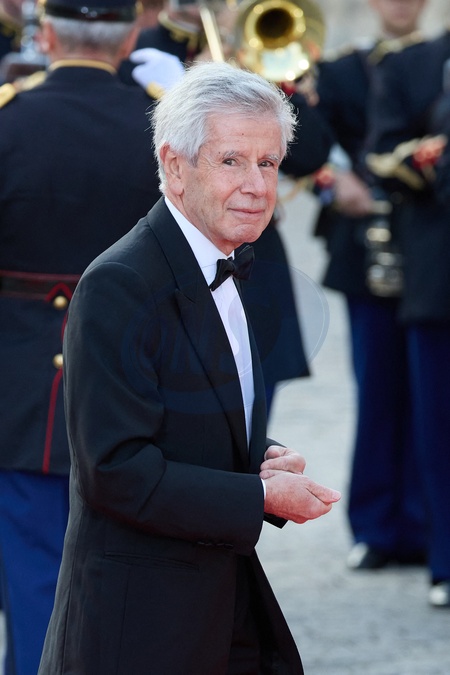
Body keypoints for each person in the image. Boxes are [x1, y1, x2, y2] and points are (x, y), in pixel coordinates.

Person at [38, 60, 341, 675]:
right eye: (231, 161)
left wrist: (260, 453)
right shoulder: (120, 284)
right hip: (141, 626)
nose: (256, 185)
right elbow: (115, 471)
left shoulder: (227, 258)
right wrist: (260, 494)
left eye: (268, 163)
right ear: (174, 167)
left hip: (220, 603)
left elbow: (189, 414)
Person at [0, 0, 172, 671]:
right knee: (140, 584)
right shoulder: (163, 126)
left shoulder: (8, 119)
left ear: (45, 34)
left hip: (22, 386)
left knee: (37, 582)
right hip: (143, 376)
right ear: (129, 38)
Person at [119, 0, 335, 416]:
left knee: (254, 420)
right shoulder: (139, 47)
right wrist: (179, 99)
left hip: (250, 264)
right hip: (166, 263)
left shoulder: (252, 51)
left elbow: (311, 153)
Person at [310, 0, 428, 570]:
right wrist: (333, 183)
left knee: (433, 396)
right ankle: (377, 525)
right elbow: (305, 143)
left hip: (430, 251)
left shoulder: (436, 63)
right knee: (377, 389)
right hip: (364, 249)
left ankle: (429, 522)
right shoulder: (340, 70)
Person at [366, 24, 450, 606]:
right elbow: (384, 156)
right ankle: (446, 560)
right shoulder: (411, 63)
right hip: (439, 275)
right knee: (439, 425)